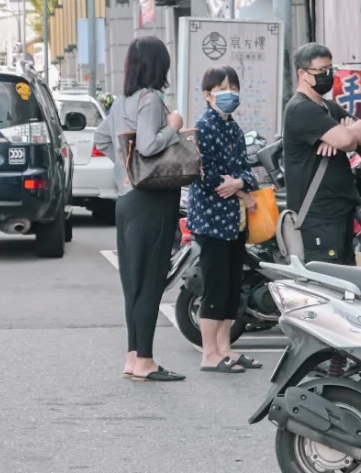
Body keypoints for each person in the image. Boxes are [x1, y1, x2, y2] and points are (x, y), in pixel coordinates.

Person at [94, 36, 187, 382]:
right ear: (157, 64)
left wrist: (125, 169)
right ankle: (145, 360)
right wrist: (174, 127)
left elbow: (103, 139)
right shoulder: (151, 100)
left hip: (128, 199)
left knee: (132, 282)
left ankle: (133, 356)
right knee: (150, 281)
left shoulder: (123, 101)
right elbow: (149, 145)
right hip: (152, 200)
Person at [187, 65, 262, 373]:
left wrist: (240, 184)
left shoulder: (233, 128)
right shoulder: (202, 128)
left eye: (234, 86)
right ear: (208, 95)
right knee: (216, 287)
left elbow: (247, 170)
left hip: (235, 220)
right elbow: (204, 174)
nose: (231, 93)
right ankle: (209, 354)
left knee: (232, 286)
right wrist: (234, 185)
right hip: (211, 220)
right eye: (223, 88)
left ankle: (225, 350)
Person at [282, 43, 361, 265]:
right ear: (303, 74)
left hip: (339, 210)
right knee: (328, 282)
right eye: (321, 71)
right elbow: (348, 141)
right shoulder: (301, 109)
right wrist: (343, 137)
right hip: (318, 215)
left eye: (330, 69)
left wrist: (343, 135)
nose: (327, 75)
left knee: (346, 278)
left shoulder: (329, 108)